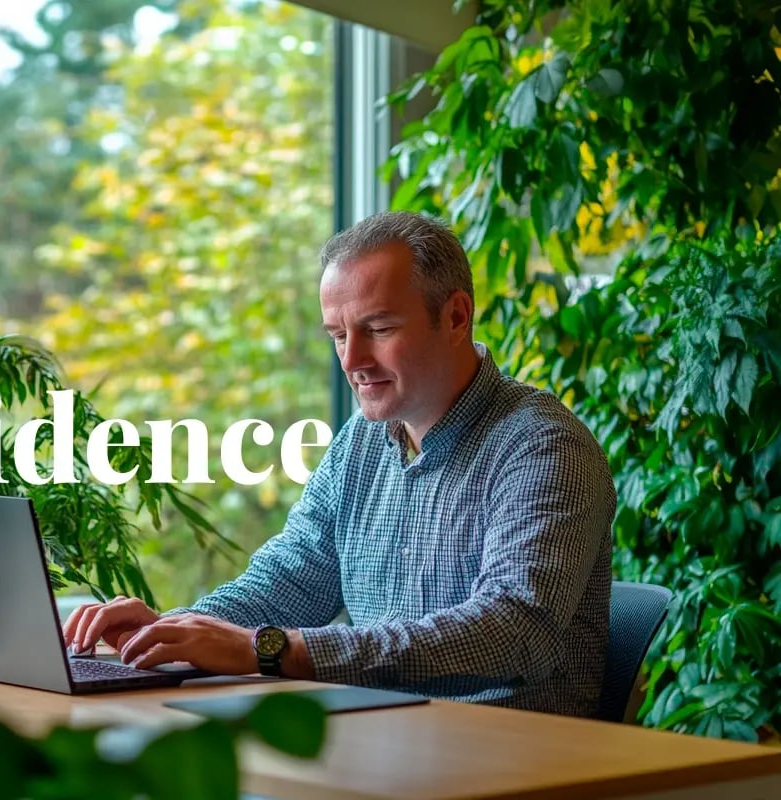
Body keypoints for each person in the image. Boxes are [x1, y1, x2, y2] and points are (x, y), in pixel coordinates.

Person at [62, 211, 615, 717]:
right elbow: (288, 579)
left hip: (515, 765)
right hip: (381, 745)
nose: (352, 361)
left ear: (455, 316)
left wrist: (270, 650)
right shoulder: (363, 442)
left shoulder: (543, 445)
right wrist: (169, 631)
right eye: (337, 336)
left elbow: (513, 629)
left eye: (377, 329)